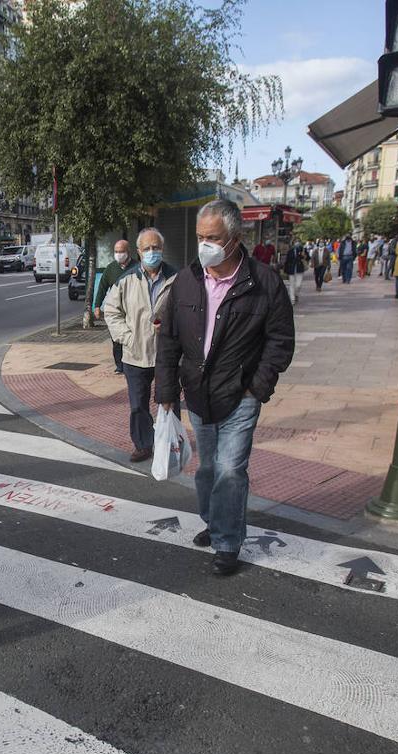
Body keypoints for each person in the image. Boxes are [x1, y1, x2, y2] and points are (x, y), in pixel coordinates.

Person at [155, 200, 295, 576]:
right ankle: (213, 522)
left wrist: (257, 388)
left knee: (231, 470)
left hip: (241, 395)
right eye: (200, 237)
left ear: (234, 239)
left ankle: (228, 542)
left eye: (212, 238)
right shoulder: (187, 280)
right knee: (206, 469)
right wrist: (167, 395)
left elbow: (280, 341)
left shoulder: (264, 283)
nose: (204, 246)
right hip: (198, 393)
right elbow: (167, 341)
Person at [102, 228, 178, 463]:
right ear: (139, 252)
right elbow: (111, 311)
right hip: (136, 354)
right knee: (138, 406)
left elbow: (189, 312)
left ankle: (170, 441)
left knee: (170, 403)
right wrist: (127, 337)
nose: (152, 252)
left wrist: (173, 331)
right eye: (146, 248)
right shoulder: (126, 280)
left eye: (156, 247)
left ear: (162, 249)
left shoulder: (177, 278)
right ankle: (143, 444)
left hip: (167, 354)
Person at [94, 240, 134, 374]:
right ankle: (120, 365)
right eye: (116, 252)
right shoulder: (111, 268)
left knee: (131, 337)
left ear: (128, 252)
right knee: (117, 339)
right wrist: (97, 306)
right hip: (116, 310)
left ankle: (132, 363)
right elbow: (102, 287)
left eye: (121, 251)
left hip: (132, 310)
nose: (119, 254)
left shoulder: (138, 267)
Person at [281, 240, 307, 305]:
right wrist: (285, 270)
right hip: (291, 270)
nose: (296, 244)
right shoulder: (290, 252)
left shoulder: (302, 250)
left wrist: (303, 255)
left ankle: (296, 294)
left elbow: (307, 257)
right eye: (295, 243)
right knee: (291, 285)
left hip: (299, 270)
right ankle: (292, 299)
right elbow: (287, 261)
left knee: (298, 285)